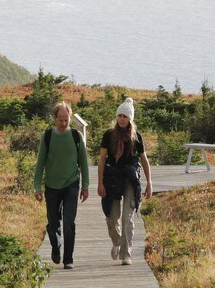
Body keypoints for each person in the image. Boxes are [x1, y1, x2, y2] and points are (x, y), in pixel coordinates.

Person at [34, 101, 89, 269]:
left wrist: (85, 186)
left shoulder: (76, 136)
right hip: (51, 185)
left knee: (69, 222)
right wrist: (37, 186)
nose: (64, 123)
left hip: (71, 184)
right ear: (54, 119)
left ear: (70, 118)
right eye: (61, 120)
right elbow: (40, 162)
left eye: (67, 120)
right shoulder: (48, 136)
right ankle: (56, 247)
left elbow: (83, 163)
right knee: (53, 223)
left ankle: (68, 259)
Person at [98, 98, 152, 265]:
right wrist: (100, 182)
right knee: (112, 217)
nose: (122, 119)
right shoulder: (108, 135)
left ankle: (126, 254)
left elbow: (144, 160)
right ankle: (117, 242)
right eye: (120, 115)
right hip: (112, 177)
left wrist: (149, 182)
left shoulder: (136, 137)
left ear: (130, 119)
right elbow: (101, 159)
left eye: (125, 116)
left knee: (128, 217)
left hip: (130, 179)